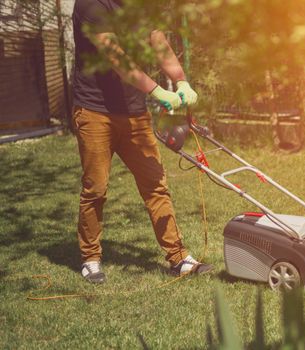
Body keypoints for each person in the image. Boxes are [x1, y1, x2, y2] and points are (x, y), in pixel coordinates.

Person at [71, 0, 212, 283]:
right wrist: (160, 92)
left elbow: (158, 43)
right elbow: (117, 59)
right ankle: (91, 258)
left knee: (155, 185)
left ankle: (178, 257)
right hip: (95, 111)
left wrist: (181, 80)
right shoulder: (92, 4)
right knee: (96, 188)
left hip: (134, 112)